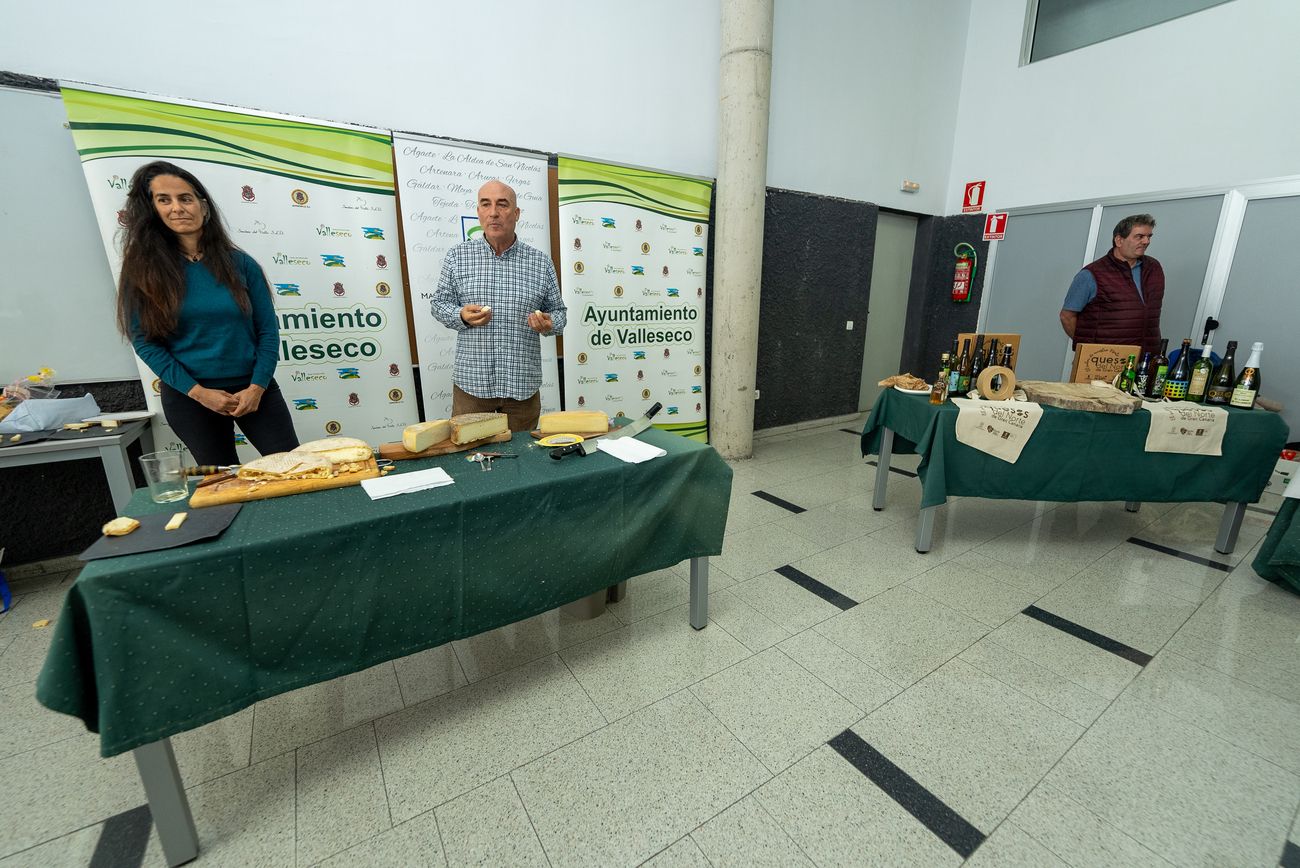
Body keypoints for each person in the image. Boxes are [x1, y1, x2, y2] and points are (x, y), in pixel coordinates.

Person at [115, 161, 298, 465]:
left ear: (203, 206)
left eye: (185, 198)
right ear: (151, 210)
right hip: (191, 397)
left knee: (293, 468)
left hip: (254, 389)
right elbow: (145, 342)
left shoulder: (241, 264)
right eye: (164, 200)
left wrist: (257, 387)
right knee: (223, 485)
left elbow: (267, 331)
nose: (177, 208)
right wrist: (199, 393)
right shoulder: (142, 273)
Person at [432, 179, 566, 431]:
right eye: (486, 204)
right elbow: (439, 304)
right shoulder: (457, 257)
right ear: (479, 211)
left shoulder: (540, 262)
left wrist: (549, 323)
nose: (493, 212)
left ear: (516, 214)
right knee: (470, 459)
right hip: (472, 388)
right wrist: (460, 315)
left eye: (502, 205)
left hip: (522, 389)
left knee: (521, 462)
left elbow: (560, 314)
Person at [1059, 214, 1164, 355]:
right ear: (1119, 240)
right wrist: (1090, 348)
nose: (1146, 241)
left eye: (1149, 236)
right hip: (1105, 361)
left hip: (1146, 359)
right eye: (1139, 236)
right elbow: (1067, 316)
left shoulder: (1154, 268)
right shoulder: (1092, 274)